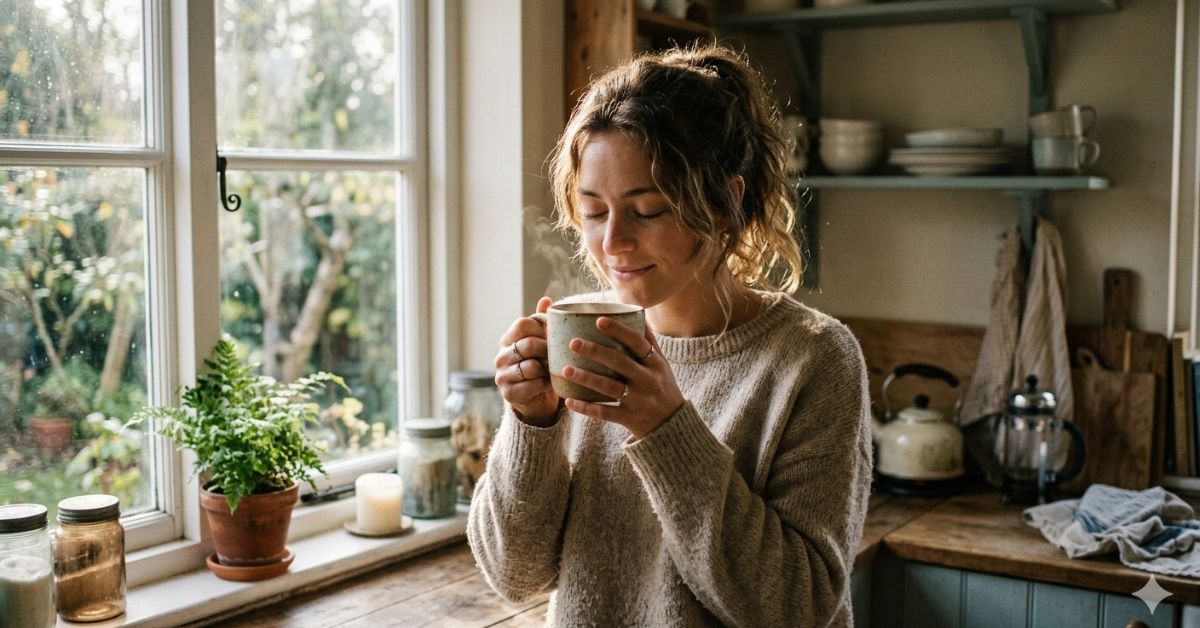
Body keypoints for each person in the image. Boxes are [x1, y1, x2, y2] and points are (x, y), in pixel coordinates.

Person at [467, 43, 873, 627]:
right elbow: (515, 575)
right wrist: (533, 424)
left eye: (648, 209)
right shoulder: (584, 348)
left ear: (725, 203)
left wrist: (665, 429)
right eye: (594, 210)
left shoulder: (814, 360)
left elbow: (797, 607)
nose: (612, 244)